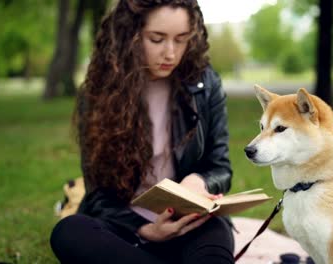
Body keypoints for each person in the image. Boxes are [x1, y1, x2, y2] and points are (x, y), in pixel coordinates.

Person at [50, 0, 234, 263]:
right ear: (130, 35)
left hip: (188, 223)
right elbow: (99, 193)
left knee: (215, 234)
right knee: (68, 232)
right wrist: (146, 229)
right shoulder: (99, 93)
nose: (170, 53)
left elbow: (220, 167)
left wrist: (198, 182)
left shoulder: (205, 84)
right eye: (157, 39)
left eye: (181, 39)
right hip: (125, 230)